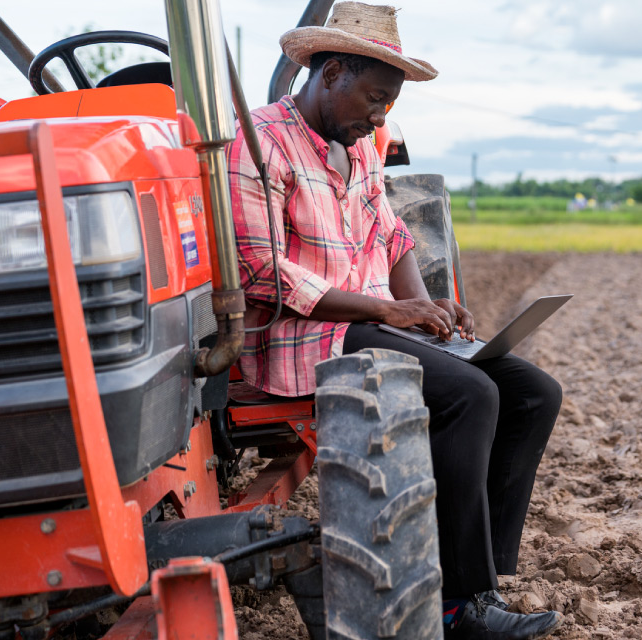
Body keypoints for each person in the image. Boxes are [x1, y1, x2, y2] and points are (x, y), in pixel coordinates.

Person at [228, 3, 562, 639]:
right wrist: (389, 309)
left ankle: (481, 568)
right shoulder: (261, 141)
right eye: (373, 99)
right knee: (471, 396)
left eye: (387, 104)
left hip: (364, 324)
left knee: (533, 393)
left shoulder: (356, 149)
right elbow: (266, 274)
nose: (380, 116)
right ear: (330, 74)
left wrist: (426, 307)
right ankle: (459, 606)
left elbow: (391, 230)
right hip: (303, 336)